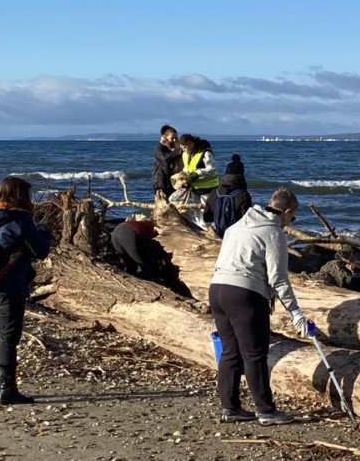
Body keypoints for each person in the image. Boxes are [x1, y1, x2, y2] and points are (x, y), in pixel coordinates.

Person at [209, 187, 310, 426]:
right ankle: (266, 411)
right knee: (255, 355)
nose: (289, 222)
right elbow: (278, 278)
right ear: (286, 211)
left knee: (230, 352)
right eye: (292, 217)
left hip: (217, 289)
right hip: (245, 294)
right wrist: (295, 313)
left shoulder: (236, 227)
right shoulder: (273, 233)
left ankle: (230, 407)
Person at [0, 177, 50, 404]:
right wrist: (43, 233)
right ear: (22, 195)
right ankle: (7, 389)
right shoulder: (21, 219)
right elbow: (41, 251)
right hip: (9, 284)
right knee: (8, 337)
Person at [110, 219, 190, 296]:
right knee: (148, 268)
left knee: (131, 267)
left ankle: (126, 290)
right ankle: (147, 293)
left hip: (116, 233)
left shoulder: (154, 228)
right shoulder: (165, 237)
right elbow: (167, 257)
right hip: (129, 234)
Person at [176, 134, 220, 228]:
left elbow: (212, 168)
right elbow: (187, 168)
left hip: (208, 188)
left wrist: (197, 173)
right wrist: (182, 177)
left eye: (184, 148)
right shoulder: (185, 154)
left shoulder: (205, 153)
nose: (183, 150)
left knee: (205, 212)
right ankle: (200, 230)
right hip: (194, 188)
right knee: (196, 213)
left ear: (190, 144)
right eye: (182, 148)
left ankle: (209, 231)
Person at [203, 155, 253, 237]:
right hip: (235, 234)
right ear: (241, 175)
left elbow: (206, 216)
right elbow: (246, 219)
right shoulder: (243, 195)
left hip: (217, 232)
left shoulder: (215, 192)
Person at [151, 125, 182, 198]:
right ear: (165, 137)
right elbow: (165, 159)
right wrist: (179, 151)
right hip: (160, 181)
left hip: (170, 181)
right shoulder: (159, 148)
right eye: (172, 138)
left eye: (176, 138)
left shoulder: (172, 149)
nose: (174, 140)